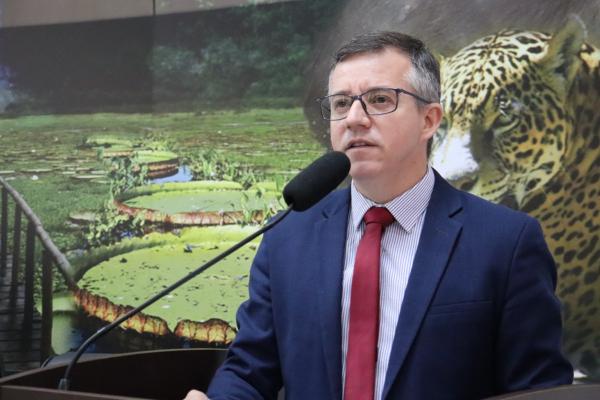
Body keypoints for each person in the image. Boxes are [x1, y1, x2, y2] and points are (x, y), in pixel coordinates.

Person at [185, 31, 573, 400]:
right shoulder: (288, 237)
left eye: (380, 99)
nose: (354, 118)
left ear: (429, 120)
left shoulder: (507, 242)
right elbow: (250, 369)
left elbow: (538, 390)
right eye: (341, 104)